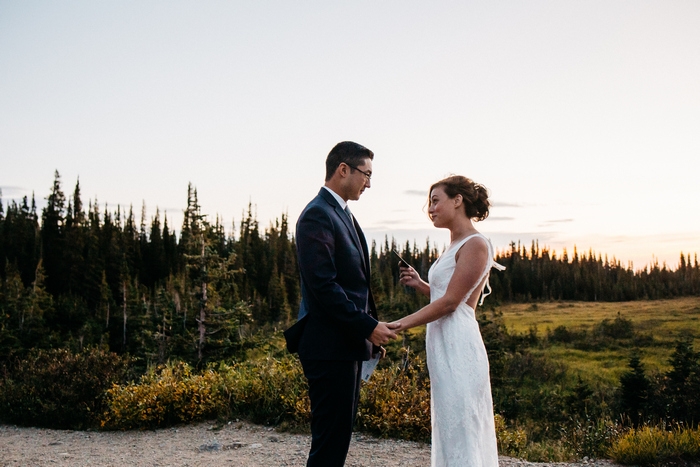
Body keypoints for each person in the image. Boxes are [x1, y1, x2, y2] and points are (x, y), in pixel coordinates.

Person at [289, 141, 398, 467]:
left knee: (338, 439)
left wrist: (368, 333)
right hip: (327, 347)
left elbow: (356, 285)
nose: (369, 182)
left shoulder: (342, 214)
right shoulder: (317, 215)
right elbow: (324, 285)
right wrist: (368, 327)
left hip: (345, 345)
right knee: (329, 442)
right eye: (366, 174)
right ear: (343, 170)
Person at [391, 175, 505, 467]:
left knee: (463, 423)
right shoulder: (455, 243)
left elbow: (455, 303)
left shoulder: (476, 244)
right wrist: (421, 285)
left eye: (435, 201)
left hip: (460, 345)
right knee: (450, 422)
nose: (430, 208)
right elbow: (454, 296)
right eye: (428, 203)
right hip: (443, 343)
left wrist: (400, 324)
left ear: (458, 201)